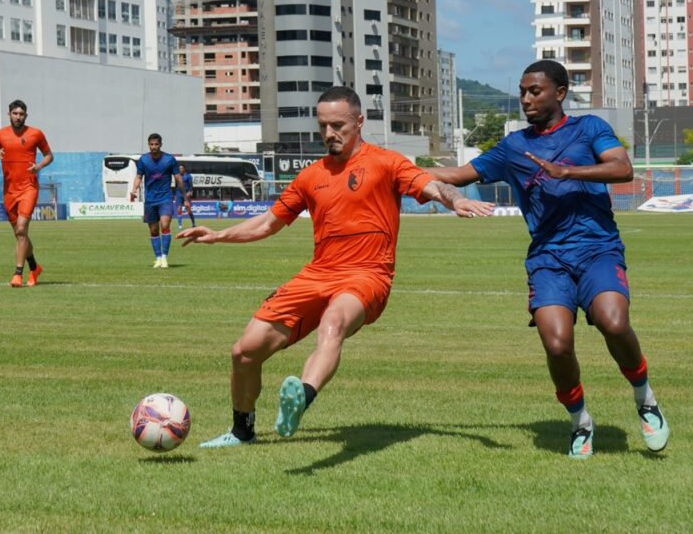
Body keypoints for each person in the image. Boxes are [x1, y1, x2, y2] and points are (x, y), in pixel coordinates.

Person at [178, 86, 494, 448]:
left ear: (359, 122)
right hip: (317, 275)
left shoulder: (387, 163)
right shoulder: (311, 176)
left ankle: (301, 397)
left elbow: (433, 186)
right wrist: (218, 235)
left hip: (367, 275)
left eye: (338, 126)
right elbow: (267, 224)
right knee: (244, 352)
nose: (329, 133)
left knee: (333, 323)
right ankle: (241, 431)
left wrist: (456, 200)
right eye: (323, 126)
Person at [425, 60, 670, 459]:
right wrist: (393, 169)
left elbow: (622, 168)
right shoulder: (513, 147)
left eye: (535, 91)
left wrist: (566, 172)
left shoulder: (589, 128)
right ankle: (580, 422)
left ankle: (645, 398)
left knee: (613, 322)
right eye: (522, 92)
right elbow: (458, 174)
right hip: (548, 257)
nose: (526, 99)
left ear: (560, 93)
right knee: (557, 345)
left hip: (597, 248)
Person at [0, 99, 53, 287]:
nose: (18, 117)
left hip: (29, 187)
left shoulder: (35, 133)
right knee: (19, 234)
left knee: (22, 229)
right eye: (15, 113)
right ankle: (35, 267)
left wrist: (38, 166)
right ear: (9, 115)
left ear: (26, 115)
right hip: (9, 190)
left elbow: (49, 155)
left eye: (21, 114)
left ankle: (18, 274)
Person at [129, 133, 190, 269]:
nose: (154, 147)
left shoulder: (169, 159)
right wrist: (133, 190)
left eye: (156, 144)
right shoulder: (143, 160)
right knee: (154, 230)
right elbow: (138, 177)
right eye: (151, 144)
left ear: (160, 145)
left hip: (165, 198)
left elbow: (178, 179)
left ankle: (164, 257)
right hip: (150, 200)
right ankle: (157, 258)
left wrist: (185, 198)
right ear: (148, 145)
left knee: (165, 224)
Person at [174, 164, 196, 230]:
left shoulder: (188, 176)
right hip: (178, 193)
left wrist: (190, 192)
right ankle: (180, 225)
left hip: (186, 194)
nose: (180, 169)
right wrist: (175, 195)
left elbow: (191, 186)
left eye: (181, 168)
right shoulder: (177, 176)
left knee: (189, 210)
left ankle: (193, 223)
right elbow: (176, 185)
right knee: (179, 209)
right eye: (179, 168)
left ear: (184, 169)